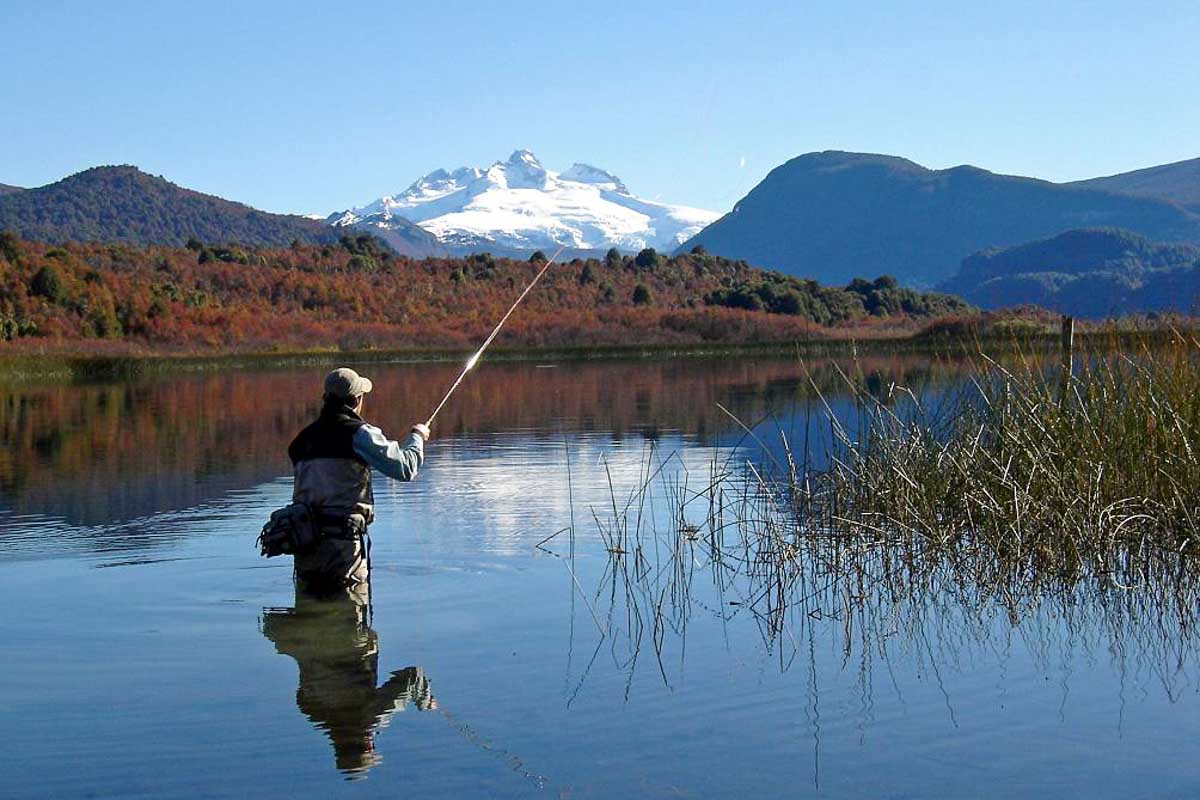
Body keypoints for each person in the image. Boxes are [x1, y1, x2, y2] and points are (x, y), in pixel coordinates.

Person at [261, 586, 436, 776]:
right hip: (309, 625)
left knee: (348, 588)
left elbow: (413, 678)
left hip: (346, 626)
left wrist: (425, 700)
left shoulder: (367, 719)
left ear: (367, 746)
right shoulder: (313, 711)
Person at [288, 367, 430, 589]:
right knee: (349, 601)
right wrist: (417, 437)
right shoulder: (359, 434)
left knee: (311, 598)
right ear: (356, 400)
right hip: (343, 548)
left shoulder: (301, 441)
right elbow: (405, 469)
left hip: (304, 545)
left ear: (325, 398)